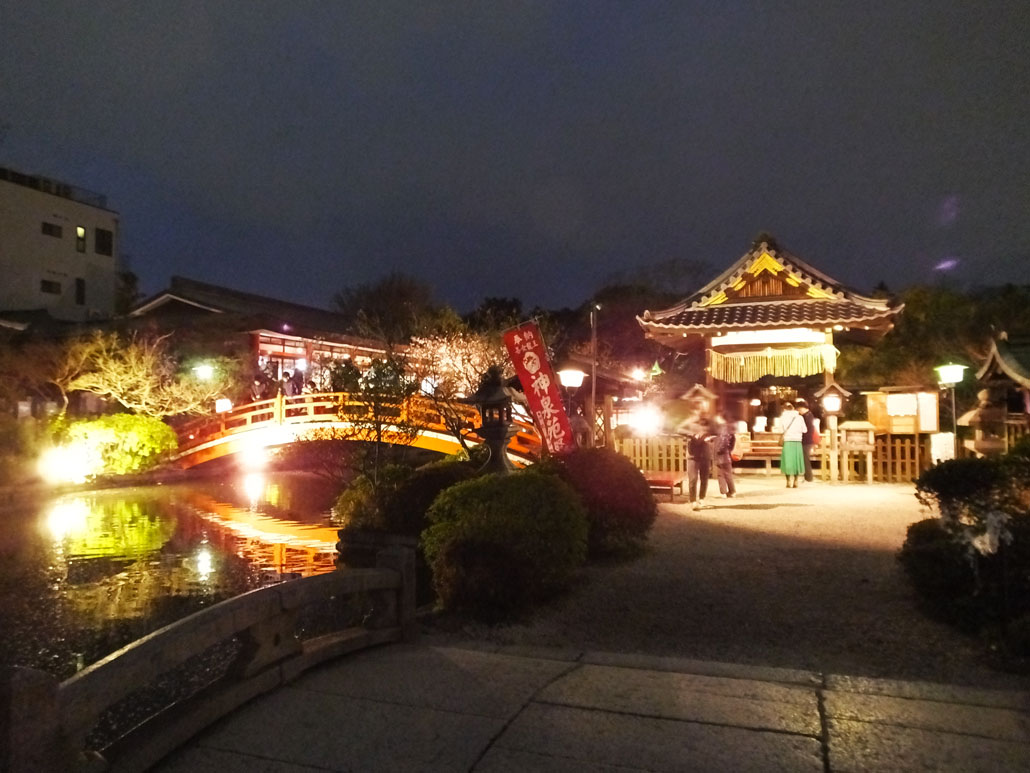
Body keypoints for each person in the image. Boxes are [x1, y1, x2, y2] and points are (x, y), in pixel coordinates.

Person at [680, 414, 714, 509]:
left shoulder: (709, 423)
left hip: (705, 455)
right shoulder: (690, 421)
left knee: (704, 479)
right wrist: (691, 434)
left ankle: (702, 498)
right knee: (693, 479)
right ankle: (693, 500)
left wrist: (710, 437)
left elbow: (717, 431)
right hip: (693, 455)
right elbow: (679, 429)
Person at [779, 401, 805, 487]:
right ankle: (796, 481)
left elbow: (780, 430)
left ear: (784, 409)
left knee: (788, 462)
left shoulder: (783, 418)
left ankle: (788, 481)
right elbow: (805, 430)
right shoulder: (800, 418)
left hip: (787, 441)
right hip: (797, 441)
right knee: (796, 461)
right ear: (793, 408)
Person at [713, 413, 737, 498]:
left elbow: (723, 441)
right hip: (726, 454)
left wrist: (719, 450)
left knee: (723, 474)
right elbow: (733, 440)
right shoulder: (729, 429)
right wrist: (729, 450)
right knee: (725, 473)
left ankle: (727, 492)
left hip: (721, 454)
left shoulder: (723, 429)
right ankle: (728, 492)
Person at [796, 398, 817, 483]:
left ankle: (809, 477)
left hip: (806, 441)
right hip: (807, 440)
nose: (798, 411)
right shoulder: (808, 415)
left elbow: (808, 430)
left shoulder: (807, 416)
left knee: (805, 459)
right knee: (804, 459)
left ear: (802, 408)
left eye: (798, 409)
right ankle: (807, 476)